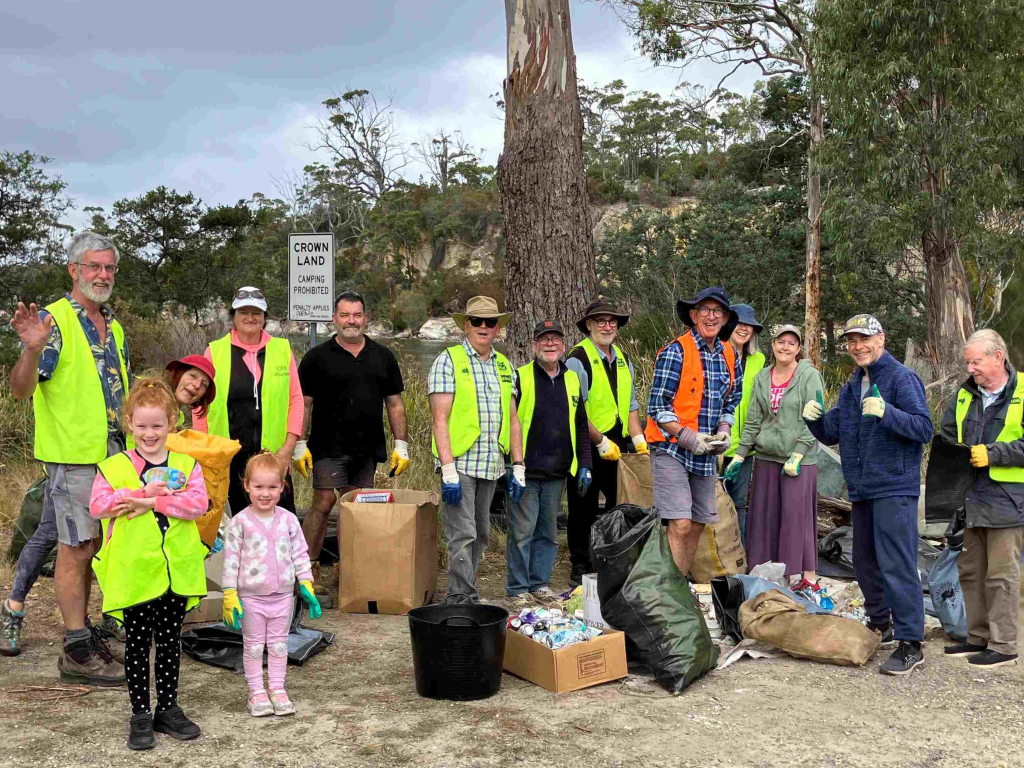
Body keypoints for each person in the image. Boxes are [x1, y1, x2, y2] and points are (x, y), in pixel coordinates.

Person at [1, 354, 218, 658]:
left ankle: (106, 618)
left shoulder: (174, 414)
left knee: (87, 541)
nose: (196, 385)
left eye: (203, 384)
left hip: (111, 470)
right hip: (83, 462)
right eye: (193, 376)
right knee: (58, 537)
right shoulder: (149, 394)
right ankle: (16, 609)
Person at [4, 231, 130, 683]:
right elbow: (21, 390)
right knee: (76, 550)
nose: (102, 275)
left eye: (109, 267)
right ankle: (76, 650)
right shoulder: (54, 323)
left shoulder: (112, 326)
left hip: (113, 457)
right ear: (73, 270)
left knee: (94, 546)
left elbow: (120, 396)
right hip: (74, 457)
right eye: (93, 266)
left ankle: (84, 633)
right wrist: (32, 347)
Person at [804, 313, 933, 676]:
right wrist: (814, 419)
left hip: (894, 485)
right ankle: (882, 624)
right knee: (863, 560)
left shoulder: (900, 378)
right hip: (862, 488)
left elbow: (924, 428)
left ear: (881, 339)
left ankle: (912, 642)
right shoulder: (852, 385)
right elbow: (832, 433)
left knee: (898, 563)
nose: (857, 346)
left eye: (864, 339)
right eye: (851, 341)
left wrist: (888, 412)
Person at [88, 378, 209, 750]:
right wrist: (139, 492)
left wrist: (152, 504)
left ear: (171, 422)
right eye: (141, 425)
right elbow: (99, 506)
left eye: (157, 425)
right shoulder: (114, 466)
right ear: (128, 423)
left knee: (170, 642)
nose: (149, 433)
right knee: (139, 645)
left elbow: (197, 505)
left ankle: (167, 708)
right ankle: (140, 713)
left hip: (175, 573)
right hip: (137, 574)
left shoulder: (188, 465)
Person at [298, 291, 409, 562]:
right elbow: (304, 404)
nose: (351, 321)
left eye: (357, 315)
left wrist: (401, 445)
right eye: (345, 315)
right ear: (334, 318)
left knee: (357, 507)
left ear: (366, 318)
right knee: (323, 504)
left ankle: (353, 570)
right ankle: (305, 569)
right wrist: (299, 444)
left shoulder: (383, 356)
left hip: (366, 448)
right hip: (326, 446)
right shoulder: (316, 357)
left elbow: (395, 404)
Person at [428, 295, 525, 605]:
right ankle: (460, 597)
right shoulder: (449, 359)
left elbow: (512, 418)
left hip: (492, 464)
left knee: (481, 534)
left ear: (498, 328)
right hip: (460, 464)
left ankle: (466, 591)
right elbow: (439, 419)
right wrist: (448, 471)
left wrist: (518, 465)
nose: (484, 327)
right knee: (462, 534)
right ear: (466, 326)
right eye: (477, 321)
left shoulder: (504, 365)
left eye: (491, 322)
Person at [939, 329, 1023, 668]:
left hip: (1008, 500)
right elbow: (947, 435)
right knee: (971, 571)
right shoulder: (964, 395)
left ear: (998, 357)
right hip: (969, 497)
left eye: (976, 361)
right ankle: (977, 637)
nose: (970, 368)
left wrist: (995, 454)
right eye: (968, 362)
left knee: (1001, 575)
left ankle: (1004, 645)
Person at [645, 286, 741, 577]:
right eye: (705, 310)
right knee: (681, 523)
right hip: (671, 448)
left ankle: (681, 583)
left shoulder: (729, 354)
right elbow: (657, 407)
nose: (711, 316)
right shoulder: (675, 351)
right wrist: (689, 437)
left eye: (717, 311)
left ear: (725, 318)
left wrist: (723, 430)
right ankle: (671, 595)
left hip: (706, 453)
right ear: (693, 314)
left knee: (698, 523)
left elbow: (731, 401)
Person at [221, 453, 322, 717]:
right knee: (253, 646)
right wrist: (229, 593)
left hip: (282, 598)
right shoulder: (239, 523)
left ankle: (277, 689)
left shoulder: (288, 520)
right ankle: (256, 692)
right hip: (251, 600)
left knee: (279, 645)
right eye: (258, 487)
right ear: (246, 486)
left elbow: (300, 554)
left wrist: (306, 584)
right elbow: (231, 560)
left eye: (272, 487)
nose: (265, 494)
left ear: (282, 487)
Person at [194, 286, 307, 515]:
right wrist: (203, 454)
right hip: (227, 459)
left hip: (272, 457)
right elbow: (200, 405)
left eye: (256, 312)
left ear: (265, 317)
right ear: (233, 316)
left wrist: (287, 451)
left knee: (279, 524)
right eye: (243, 312)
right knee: (232, 528)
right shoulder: (214, 352)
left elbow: (295, 400)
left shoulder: (282, 349)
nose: (250, 318)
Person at [728, 325, 824, 593]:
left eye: (792, 343)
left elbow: (815, 418)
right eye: (781, 342)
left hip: (798, 460)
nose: (786, 347)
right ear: (773, 345)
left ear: (799, 348)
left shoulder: (808, 376)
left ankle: (806, 577)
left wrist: (799, 452)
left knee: (797, 517)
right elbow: (753, 421)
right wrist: (739, 455)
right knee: (763, 517)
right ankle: (766, 575)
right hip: (767, 457)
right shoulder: (762, 377)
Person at [508, 321, 592, 606]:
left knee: (548, 532)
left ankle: (539, 584)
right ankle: (518, 589)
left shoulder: (571, 378)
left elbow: (581, 425)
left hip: (558, 471)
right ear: (534, 346)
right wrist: (515, 465)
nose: (550, 344)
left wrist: (585, 464)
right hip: (526, 470)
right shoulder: (520, 377)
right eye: (544, 340)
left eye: (556, 339)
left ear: (563, 345)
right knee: (522, 532)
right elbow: (511, 422)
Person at [565, 299, 647, 586]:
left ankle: (609, 559)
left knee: (618, 505)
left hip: (618, 443)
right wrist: (599, 441)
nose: (607, 326)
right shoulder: (578, 358)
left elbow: (631, 404)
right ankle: (580, 564)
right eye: (600, 320)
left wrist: (638, 440)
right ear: (588, 325)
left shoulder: (623, 359)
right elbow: (576, 409)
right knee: (582, 506)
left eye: (612, 321)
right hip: (588, 443)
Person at [721, 304, 766, 545]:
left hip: (746, 447)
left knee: (740, 503)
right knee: (712, 502)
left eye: (748, 325)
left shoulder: (759, 360)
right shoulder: (715, 354)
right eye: (739, 323)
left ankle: (739, 555)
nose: (743, 328)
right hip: (717, 445)